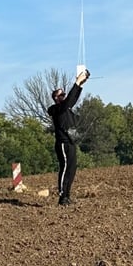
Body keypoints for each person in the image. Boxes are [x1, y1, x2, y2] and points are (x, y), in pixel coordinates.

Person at [48, 68, 90, 205]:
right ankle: (62, 196)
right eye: (62, 95)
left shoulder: (66, 108)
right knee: (65, 168)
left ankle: (67, 196)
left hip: (71, 142)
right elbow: (68, 102)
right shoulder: (56, 110)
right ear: (56, 98)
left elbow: (73, 99)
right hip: (63, 144)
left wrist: (81, 84)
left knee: (72, 170)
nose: (65, 96)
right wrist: (76, 82)